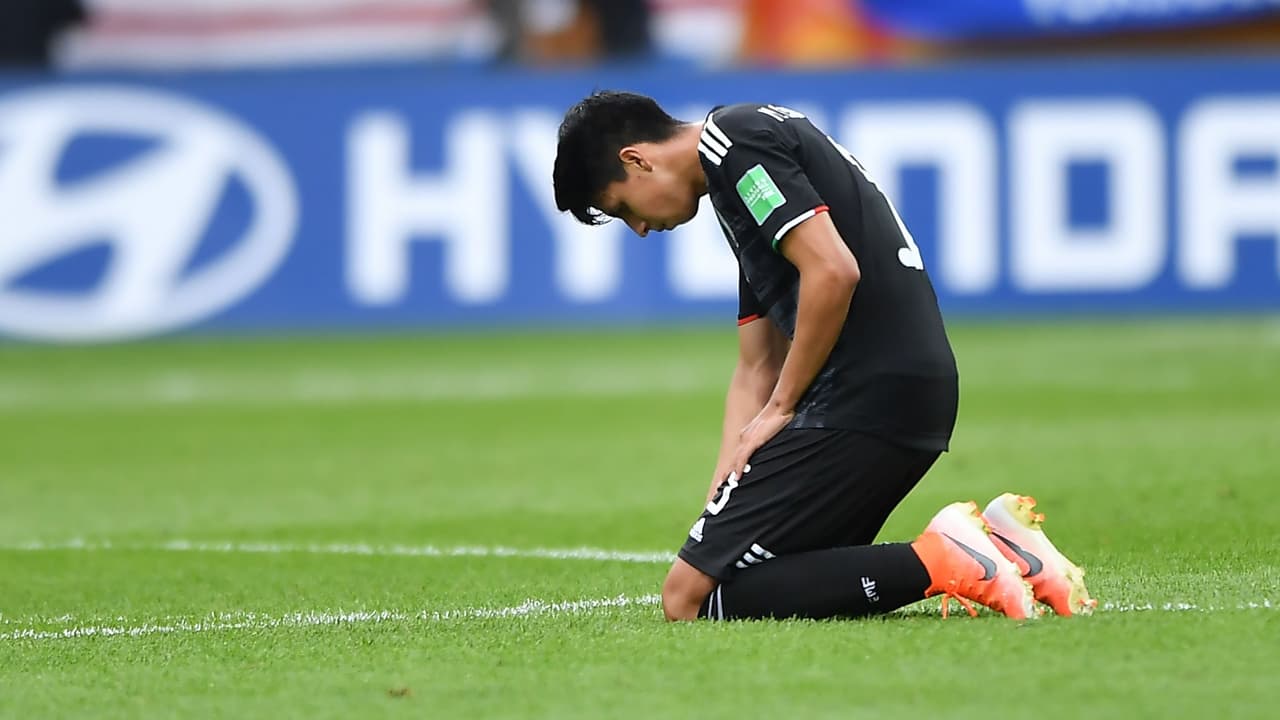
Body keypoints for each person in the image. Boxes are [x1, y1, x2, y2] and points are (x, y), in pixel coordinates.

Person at [552, 91, 1096, 621]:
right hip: (907, 391)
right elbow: (757, 363)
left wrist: (782, 406)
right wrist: (726, 488)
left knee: (686, 598)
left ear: (637, 160)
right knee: (748, 583)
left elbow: (833, 271)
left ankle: (943, 557)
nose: (639, 229)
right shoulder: (735, 171)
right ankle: (1008, 549)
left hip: (859, 397)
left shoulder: (736, 142)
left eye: (622, 208)